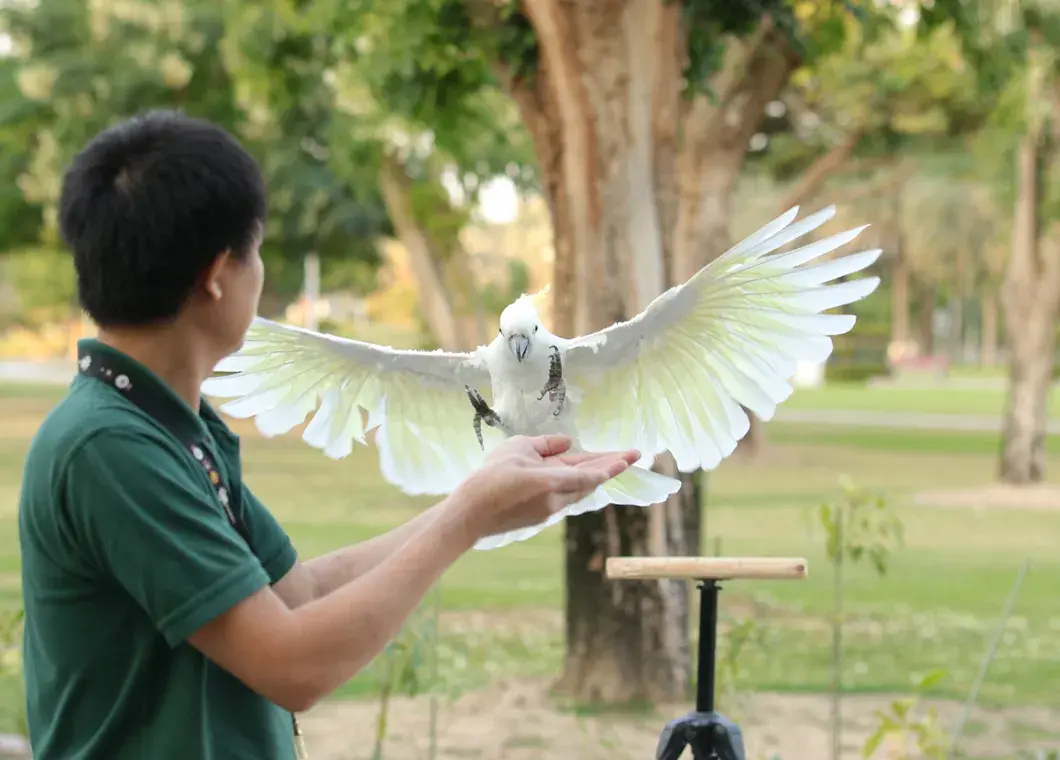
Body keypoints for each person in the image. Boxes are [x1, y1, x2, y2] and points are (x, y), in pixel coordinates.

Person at [16, 110, 639, 760]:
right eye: (256, 252)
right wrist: (465, 516)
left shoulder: (170, 426)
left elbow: (297, 595)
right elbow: (292, 665)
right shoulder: (111, 449)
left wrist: (477, 506)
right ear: (217, 273)